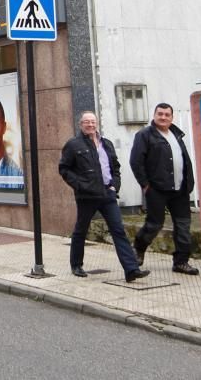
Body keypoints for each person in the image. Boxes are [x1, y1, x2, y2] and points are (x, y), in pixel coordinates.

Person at [59, 111, 149, 282]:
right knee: (81, 230)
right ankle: (76, 264)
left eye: (93, 122)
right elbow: (64, 168)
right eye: (86, 122)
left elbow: (115, 166)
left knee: (118, 231)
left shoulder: (106, 144)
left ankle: (131, 270)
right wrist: (80, 185)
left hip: (108, 193)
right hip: (87, 195)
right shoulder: (73, 144)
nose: (90, 125)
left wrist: (115, 185)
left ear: (97, 123)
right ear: (81, 124)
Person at [129, 102, 200, 275]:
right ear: (154, 115)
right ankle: (138, 248)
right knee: (154, 225)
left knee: (183, 226)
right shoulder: (145, 135)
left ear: (171, 117)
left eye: (167, 115)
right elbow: (136, 162)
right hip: (157, 189)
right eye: (160, 114)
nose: (163, 117)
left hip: (180, 190)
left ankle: (181, 262)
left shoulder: (176, 134)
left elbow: (185, 160)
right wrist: (146, 185)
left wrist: (189, 183)